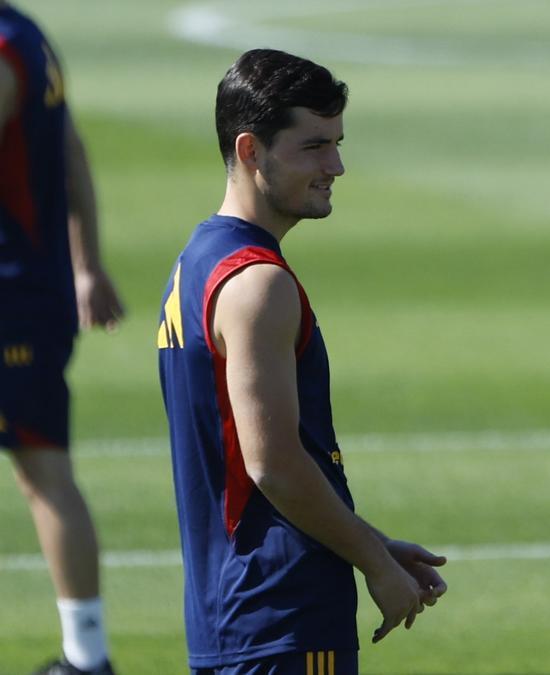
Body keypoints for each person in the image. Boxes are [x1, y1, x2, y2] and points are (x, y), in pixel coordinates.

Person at [156, 48, 446, 674]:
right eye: (314, 146)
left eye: (337, 143)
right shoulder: (258, 283)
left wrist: (372, 543)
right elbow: (274, 465)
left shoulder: (196, 262)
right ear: (251, 150)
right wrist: (373, 564)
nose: (336, 165)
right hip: (279, 617)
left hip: (230, 615)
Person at [0, 3, 124, 674]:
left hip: (11, 295)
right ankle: (88, 656)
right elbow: (70, 147)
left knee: (46, 473)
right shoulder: (26, 34)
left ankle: (88, 657)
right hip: (35, 289)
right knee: (45, 471)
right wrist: (86, 263)